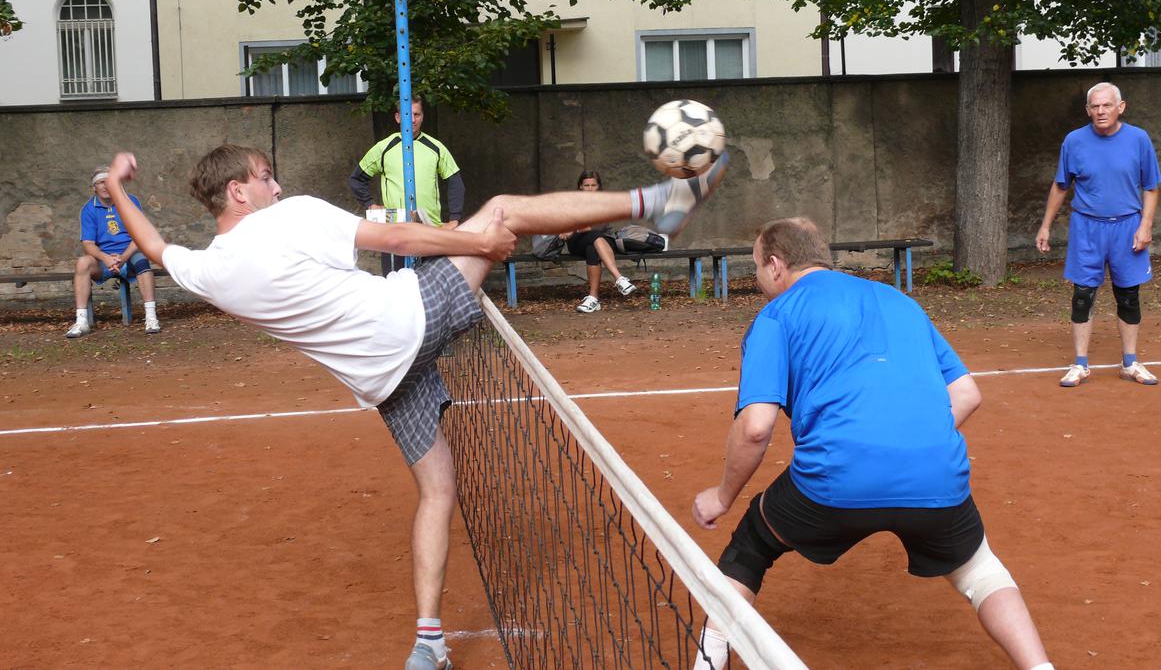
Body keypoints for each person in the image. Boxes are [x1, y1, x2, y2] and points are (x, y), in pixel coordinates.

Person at [104, 143, 728, 670]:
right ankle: (658, 201)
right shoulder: (287, 216)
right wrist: (480, 240)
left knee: (437, 490)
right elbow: (396, 235)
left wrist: (116, 186)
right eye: (265, 175)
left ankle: (428, 642)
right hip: (410, 319)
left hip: (380, 379)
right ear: (239, 192)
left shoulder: (203, 269)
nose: (276, 184)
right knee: (503, 209)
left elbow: (153, 246)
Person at [690, 218, 1052, 670]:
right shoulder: (900, 301)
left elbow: (757, 427)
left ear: (777, 266)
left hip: (834, 482)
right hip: (936, 475)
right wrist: (916, 439)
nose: (759, 277)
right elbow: (966, 394)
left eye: (758, 266)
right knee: (979, 569)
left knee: (753, 544)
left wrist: (721, 496)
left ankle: (708, 662)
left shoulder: (776, 316)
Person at [1035, 82, 1161, 388]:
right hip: (1087, 227)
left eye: (1107, 105)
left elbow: (1152, 187)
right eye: (1095, 106)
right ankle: (1080, 365)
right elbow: (1061, 185)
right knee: (1082, 296)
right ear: (1088, 110)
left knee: (1128, 296)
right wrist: (1045, 225)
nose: (1101, 111)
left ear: (1121, 107)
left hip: (1127, 226)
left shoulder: (1138, 139)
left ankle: (1130, 363)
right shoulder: (1074, 141)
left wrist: (1145, 226)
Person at [350, 95, 466, 274]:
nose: (412, 120)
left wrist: (454, 220)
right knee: (397, 289)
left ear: (422, 117)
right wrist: (370, 204)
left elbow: (455, 182)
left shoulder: (435, 147)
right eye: (406, 114)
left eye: (416, 114)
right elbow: (357, 179)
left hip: (430, 229)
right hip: (394, 230)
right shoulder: (384, 147)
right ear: (397, 117)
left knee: (430, 291)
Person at [65, 167, 160, 338]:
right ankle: (81, 321)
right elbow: (88, 244)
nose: (105, 186)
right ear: (94, 187)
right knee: (82, 263)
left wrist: (123, 257)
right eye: (101, 182)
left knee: (142, 261)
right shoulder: (89, 209)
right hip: (103, 260)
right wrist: (106, 258)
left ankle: (151, 317)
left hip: (129, 255)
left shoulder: (130, 201)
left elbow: (140, 235)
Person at [563, 171, 637, 313]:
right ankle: (619, 278)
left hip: (600, 242)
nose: (590, 189)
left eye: (593, 185)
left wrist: (574, 230)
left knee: (593, 243)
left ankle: (593, 298)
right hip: (577, 243)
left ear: (598, 186)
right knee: (594, 236)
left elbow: (600, 226)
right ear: (580, 187)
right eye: (586, 185)